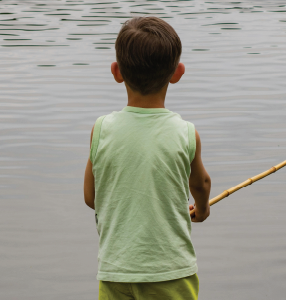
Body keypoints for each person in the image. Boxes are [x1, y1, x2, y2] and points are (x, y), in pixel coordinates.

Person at [83, 16, 212, 300]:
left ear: (117, 72)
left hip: (115, 271)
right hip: (170, 272)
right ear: (177, 72)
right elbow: (201, 184)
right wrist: (201, 210)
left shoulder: (101, 129)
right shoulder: (186, 133)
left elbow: (92, 197)